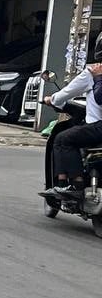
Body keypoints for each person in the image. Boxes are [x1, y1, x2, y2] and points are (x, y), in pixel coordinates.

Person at [45, 50, 102, 193]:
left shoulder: (92, 73)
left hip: (97, 127)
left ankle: (74, 184)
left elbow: (66, 93)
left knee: (62, 139)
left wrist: (51, 99)